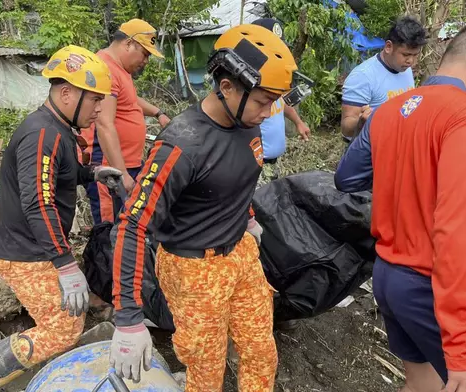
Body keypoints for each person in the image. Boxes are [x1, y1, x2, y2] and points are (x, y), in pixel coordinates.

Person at [335, 20, 466, 392]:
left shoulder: (388, 111)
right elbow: (458, 233)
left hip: (388, 275)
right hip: (432, 285)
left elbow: (346, 179)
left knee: (421, 383)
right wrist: (462, 346)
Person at [109, 24, 301, 391]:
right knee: (206, 371)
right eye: (263, 101)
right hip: (193, 269)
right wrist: (129, 320)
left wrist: (246, 219)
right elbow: (131, 226)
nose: (270, 111)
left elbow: (233, 180)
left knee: (261, 352)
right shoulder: (181, 146)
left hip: (241, 254)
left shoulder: (248, 121)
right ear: (226, 87)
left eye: (274, 100)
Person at [0, 45, 122, 391]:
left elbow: (57, 175)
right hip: (23, 254)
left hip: (34, 246)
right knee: (63, 329)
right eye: (95, 99)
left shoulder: (56, 129)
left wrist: (91, 174)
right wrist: (65, 264)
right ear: (67, 93)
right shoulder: (41, 134)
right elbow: (38, 204)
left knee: (68, 318)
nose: (100, 108)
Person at [82, 18, 171, 225]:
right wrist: (121, 173)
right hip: (110, 168)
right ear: (129, 43)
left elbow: (130, 100)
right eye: (145, 53)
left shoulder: (119, 69)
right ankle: (108, 258)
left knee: (125, 223)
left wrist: (158, 113)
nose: (146, 61)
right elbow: (104, 124)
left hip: (125, 163)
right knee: (109, 226)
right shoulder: (106, 68)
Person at [340, 16, 427, 140]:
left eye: (415, 55)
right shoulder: (363, 76)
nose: (411, 61)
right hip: (369, 152)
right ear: (388, 47)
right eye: (406, 55)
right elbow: (346, 129)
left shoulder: (404, 69)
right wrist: (363, 122)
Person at [251, 18, 311, 184]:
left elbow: (281, 102)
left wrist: (298, 122)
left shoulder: (273, 75)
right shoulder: (247, 80)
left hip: (275, 162)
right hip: (255, 165)